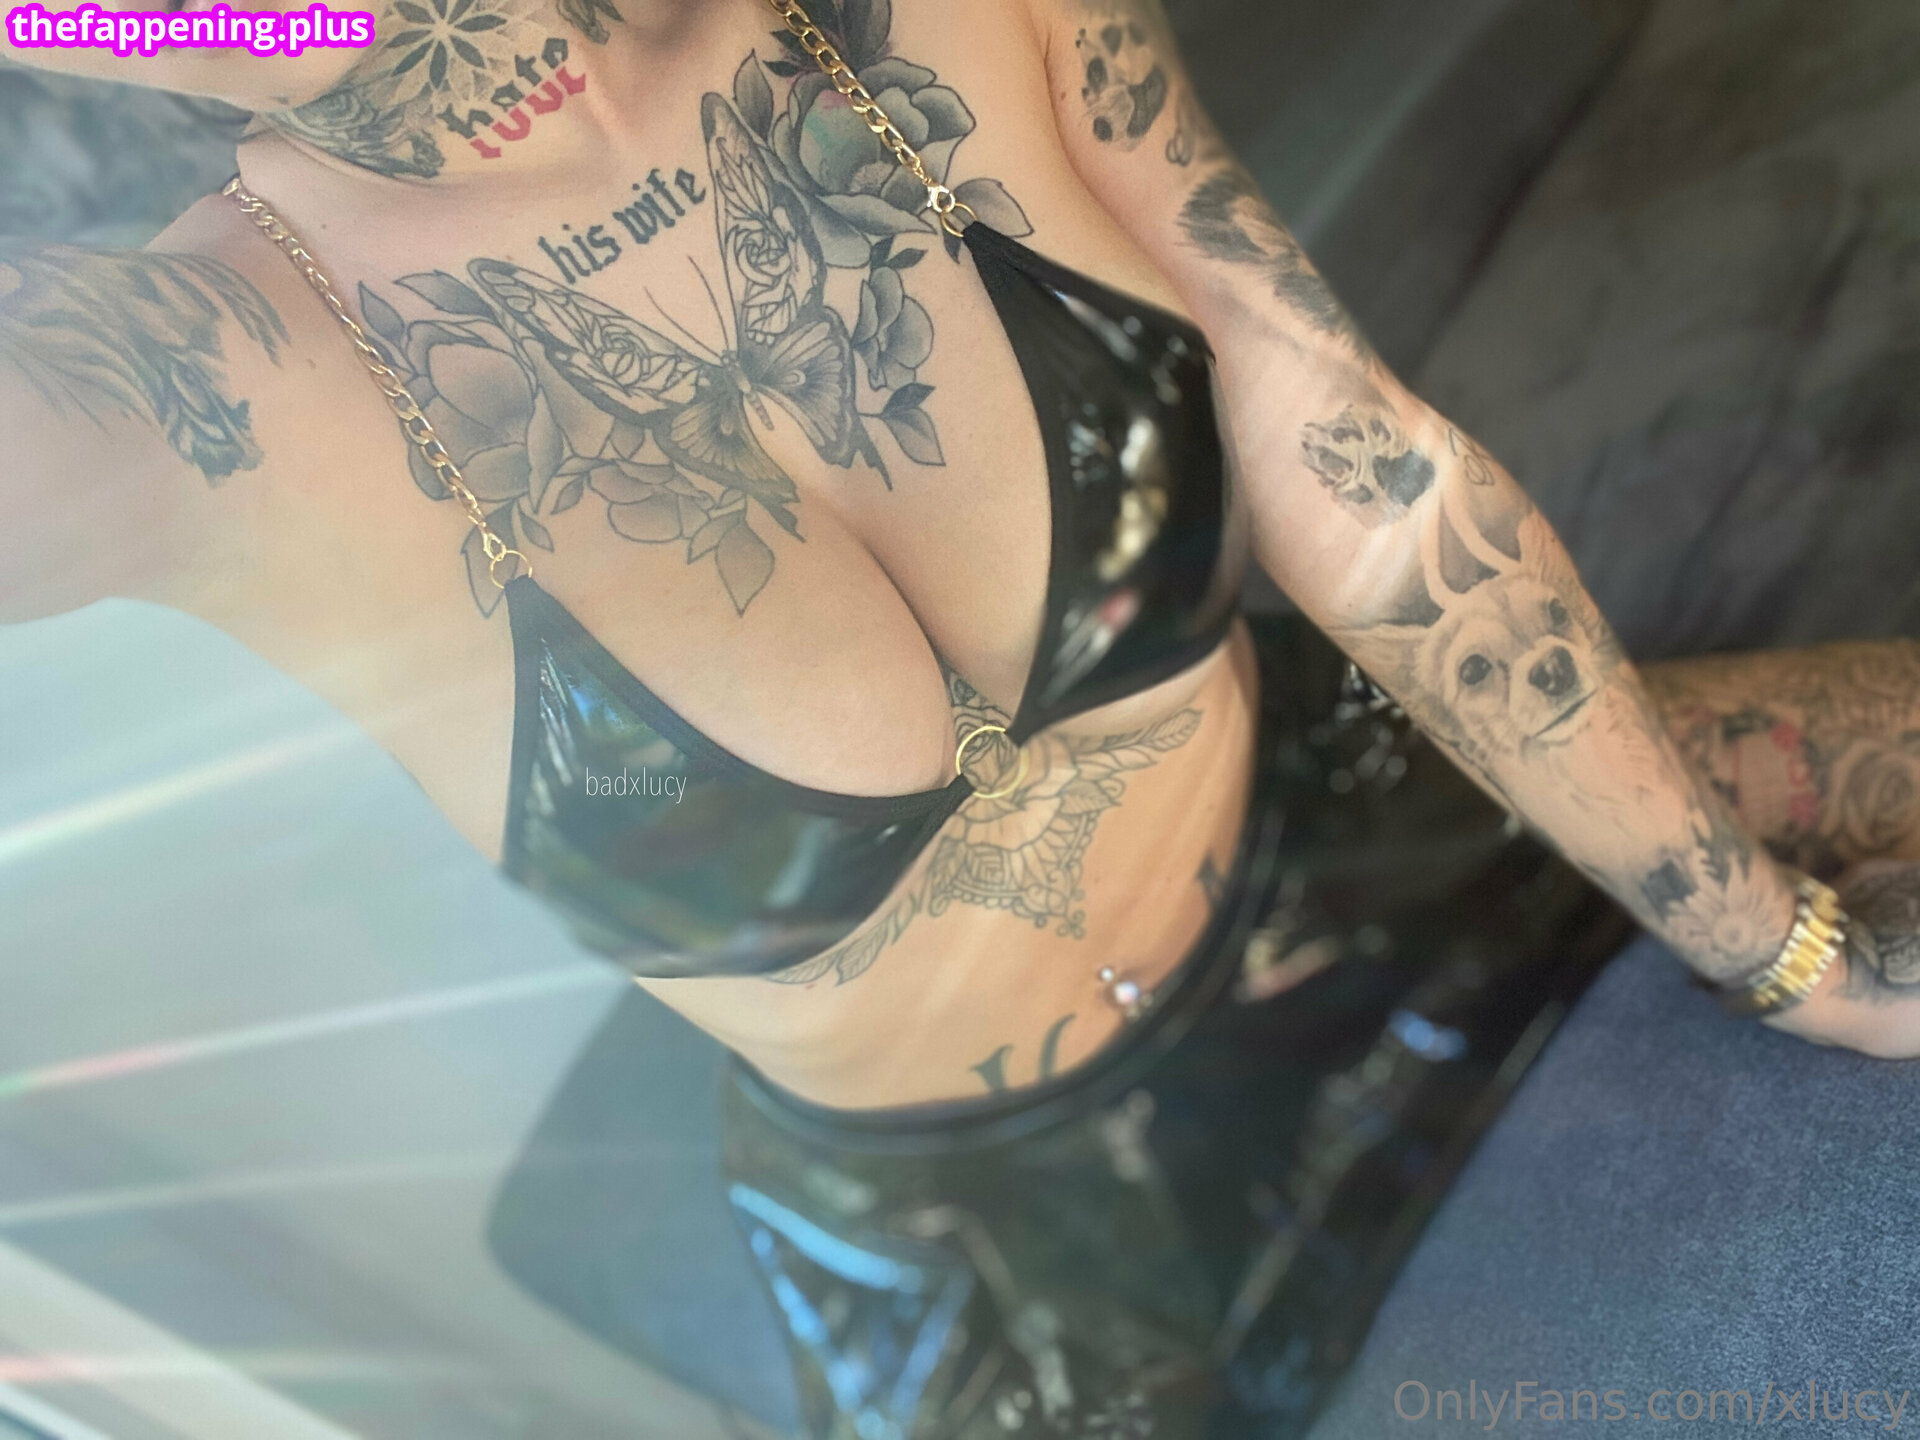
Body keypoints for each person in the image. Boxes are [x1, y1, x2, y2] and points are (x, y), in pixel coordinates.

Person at [5, 0, 1918, 1432]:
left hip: (1349, 809)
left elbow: (1363, 462)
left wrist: (1792, 955)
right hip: (1012, 1235)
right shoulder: (167, 391)